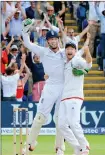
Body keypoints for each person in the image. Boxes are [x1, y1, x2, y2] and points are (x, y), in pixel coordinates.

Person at [22, 19, 65, 154]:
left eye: (55, 39)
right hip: (50, 86)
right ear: (47, 41)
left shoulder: (65, 53)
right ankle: (29, 144)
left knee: (60, 119)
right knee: (40, 117)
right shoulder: (43, 51)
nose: (53, 41)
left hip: (63, 87)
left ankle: (59, 148)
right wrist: (24, 31)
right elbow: (28, 44)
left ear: (58, 40)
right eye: (50, 39)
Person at [58, 38, 92, 155]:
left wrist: (87, 51)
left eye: (72, 49)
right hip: (64, 97)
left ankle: (85, 145)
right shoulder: (64, 62)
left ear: (75, 50)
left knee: (73, 123)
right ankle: (77, 147)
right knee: (61, 125)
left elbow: (88, 65)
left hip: (75, 96)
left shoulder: (77, 60)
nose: (69, 50)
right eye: (67, 48)